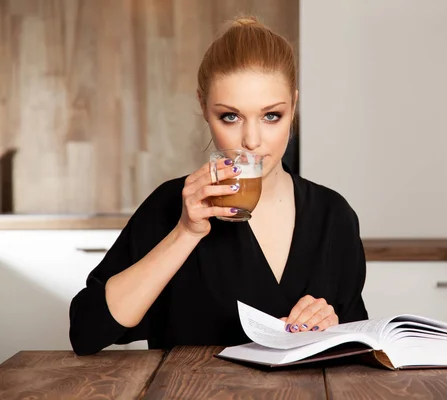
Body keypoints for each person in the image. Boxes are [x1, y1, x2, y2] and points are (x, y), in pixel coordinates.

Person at [69, 16, 368, 356]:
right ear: (203, 108)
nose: (252, 141)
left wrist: (332, 326)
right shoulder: (170, 205)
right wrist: (185, 232)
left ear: (294, 107)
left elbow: (357, 351)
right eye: (230, 116)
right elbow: (86, 332)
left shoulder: (334, 215)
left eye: (271, 116)